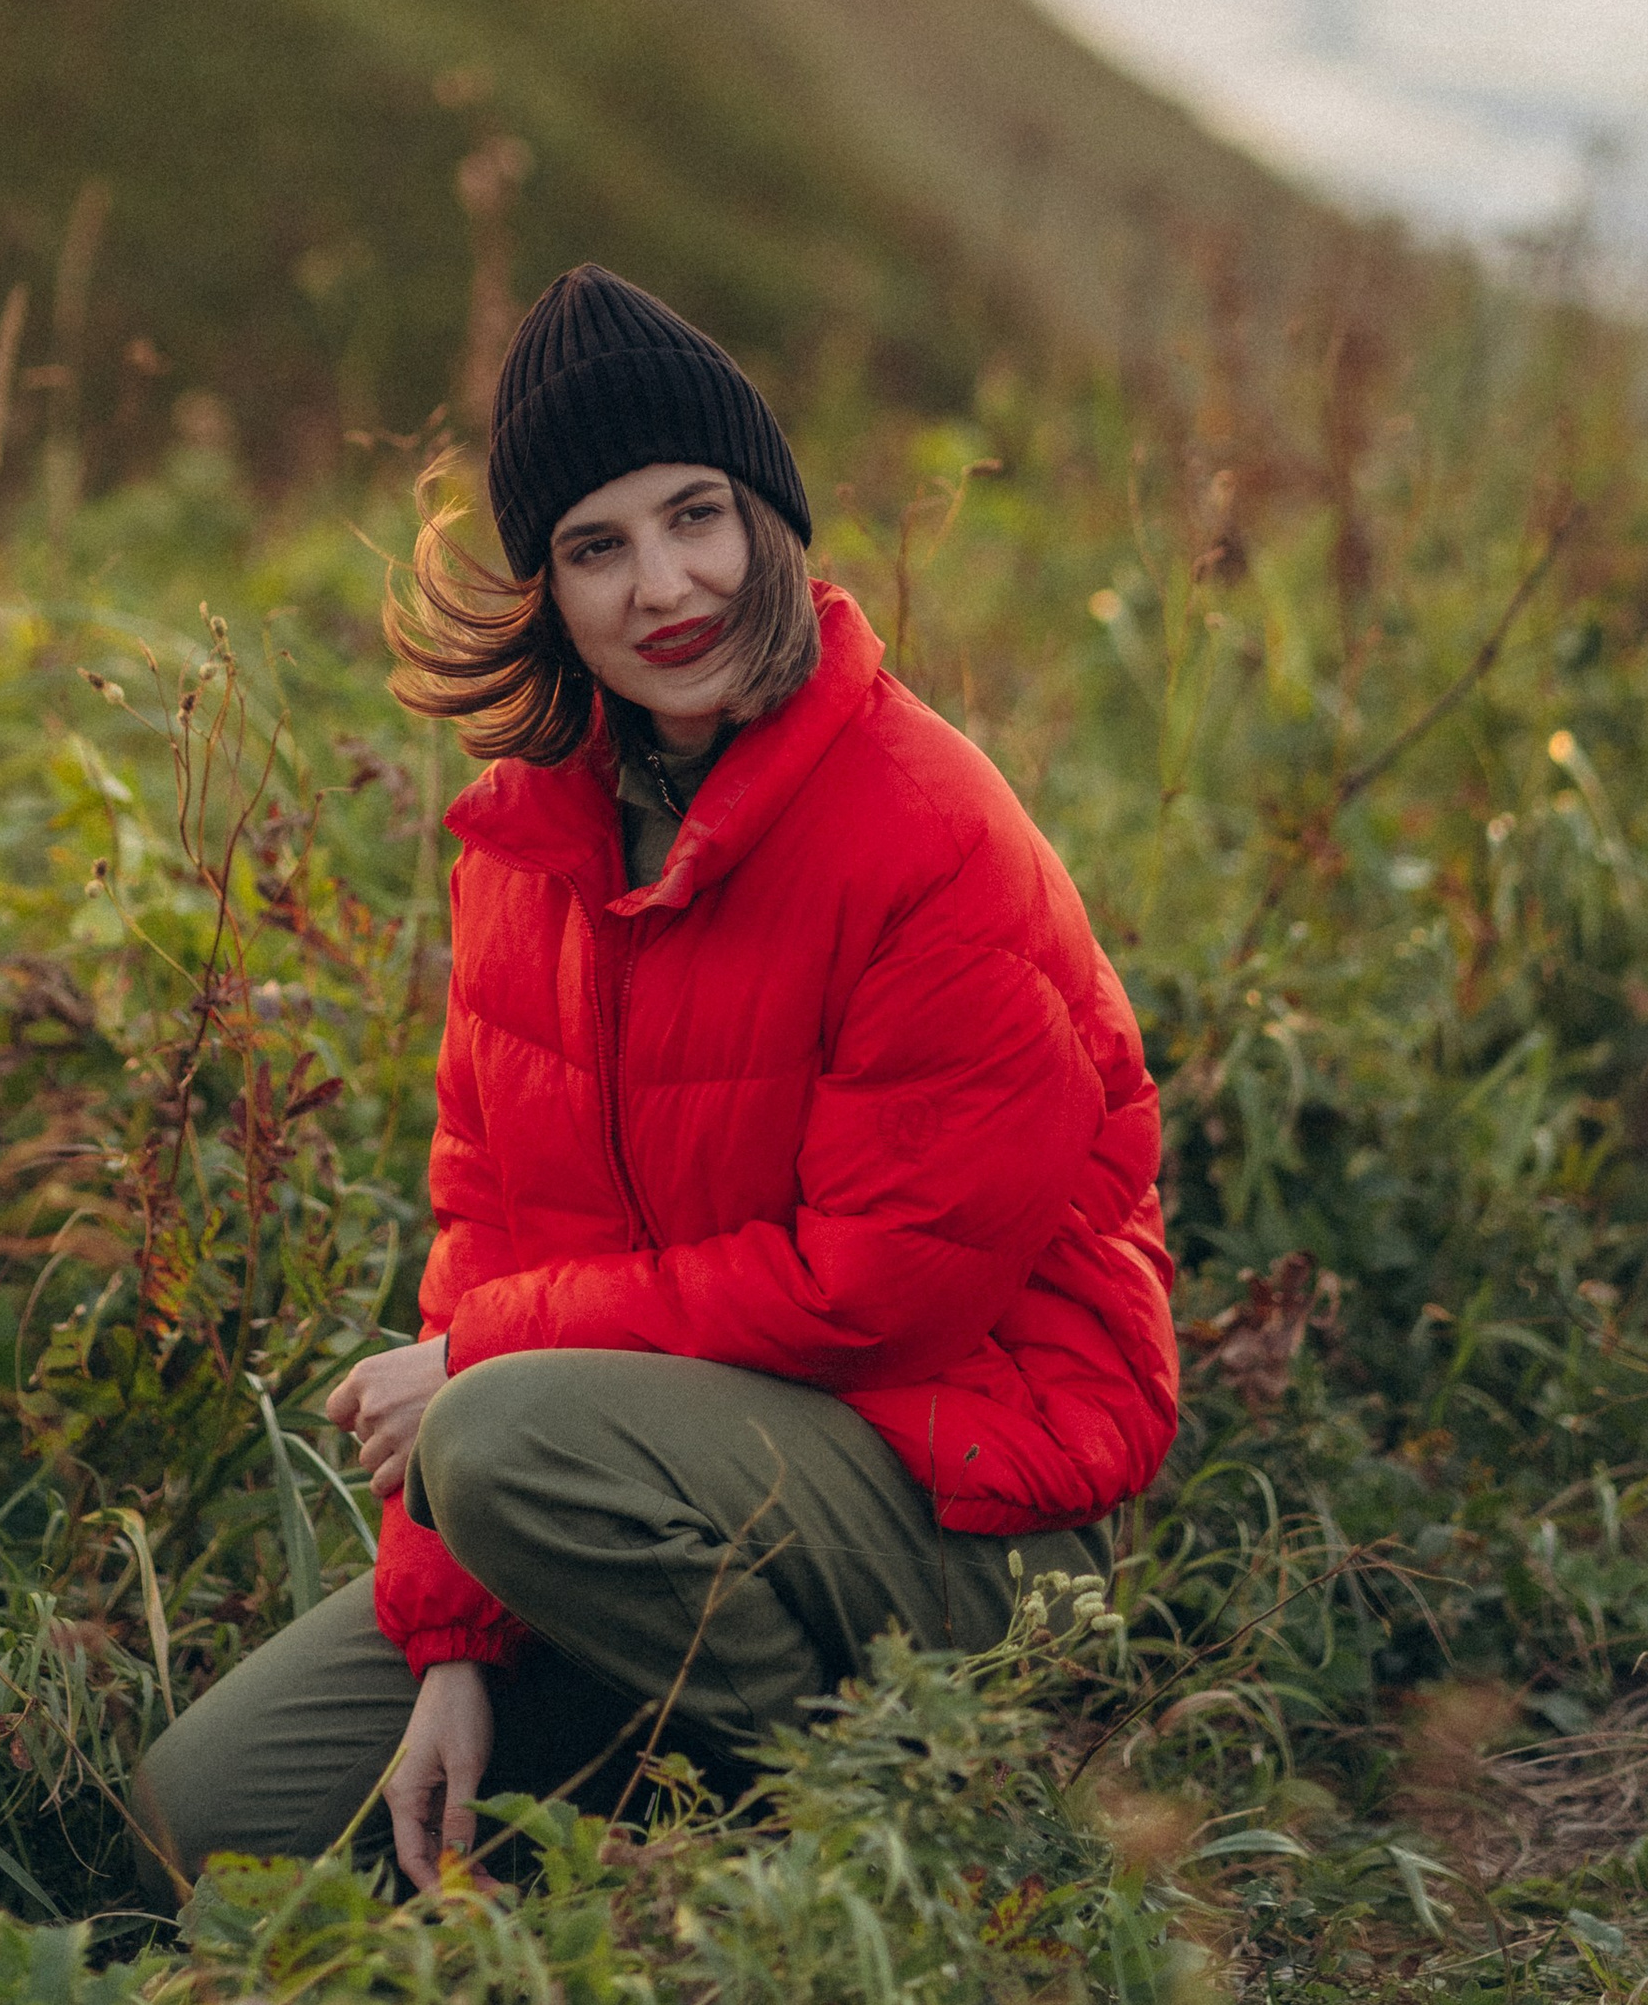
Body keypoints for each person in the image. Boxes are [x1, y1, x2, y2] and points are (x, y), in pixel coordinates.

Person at [131, 262, 1176, 1899]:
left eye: (698, 515)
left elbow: (879, 1293)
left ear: (770, 518)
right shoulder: (529, 848)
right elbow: (488, 1230)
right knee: (209, 1812)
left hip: (971, 1499)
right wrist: (459, 1633)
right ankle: (668, 1772)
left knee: (498, 1438)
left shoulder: (927, 833)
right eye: (595, 546)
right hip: (644, 1493)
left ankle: (886, 1829)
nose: (665, 585)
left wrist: (484, 1368)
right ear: (546, 589)